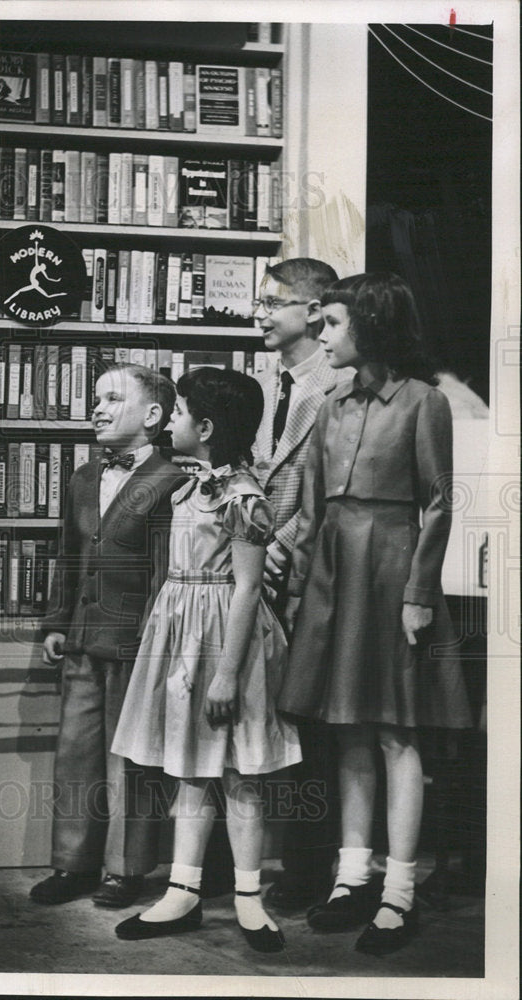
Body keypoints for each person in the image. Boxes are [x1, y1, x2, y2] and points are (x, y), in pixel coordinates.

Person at [278, 272, 472, 955]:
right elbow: (308, 509)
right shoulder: (329, 403)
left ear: (372, 327)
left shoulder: (424, 403)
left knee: (397, 731)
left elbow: (439, 504)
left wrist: (419, 594)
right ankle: (350, 876)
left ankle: (397, 893)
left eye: (330, 323)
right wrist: (301, 586)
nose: (320, 335)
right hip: (333, 576)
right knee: (345, 728)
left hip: (391, 574)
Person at [111, 367, 301, 952]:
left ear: (208, 426)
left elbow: (247, 588)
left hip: (226, 639)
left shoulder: (243, 497)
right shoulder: (190, 487)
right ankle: (183, 889)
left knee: (242, 772)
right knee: (188, 767)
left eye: (180, 411)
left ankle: (248, 896)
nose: (171, 420)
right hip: (182, 632)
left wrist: (226, 671)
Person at [30, 363, 186, 909]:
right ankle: (73, 865)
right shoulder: (82, 477)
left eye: (112, 399)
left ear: (152, 415)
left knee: (132, 763)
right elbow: (68, 557)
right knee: (76, 754)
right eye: (96, 398)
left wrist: (155, 641)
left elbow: (167, 574)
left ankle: (127, 869)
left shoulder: (174, 481)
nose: (97, 408)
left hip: (135, 643)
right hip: (81, 641)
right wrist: (56, 623)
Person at [250, 257, 345, 912]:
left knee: (315, 729)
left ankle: (314, 868)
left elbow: (333, 488)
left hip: (310, 579)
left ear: (314, 312)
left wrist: (283, 545)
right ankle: (287, 860)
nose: (259, 312)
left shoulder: (335, 387)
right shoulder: (270, 384)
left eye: (272, 301)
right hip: (265, 580)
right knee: (281, 721)